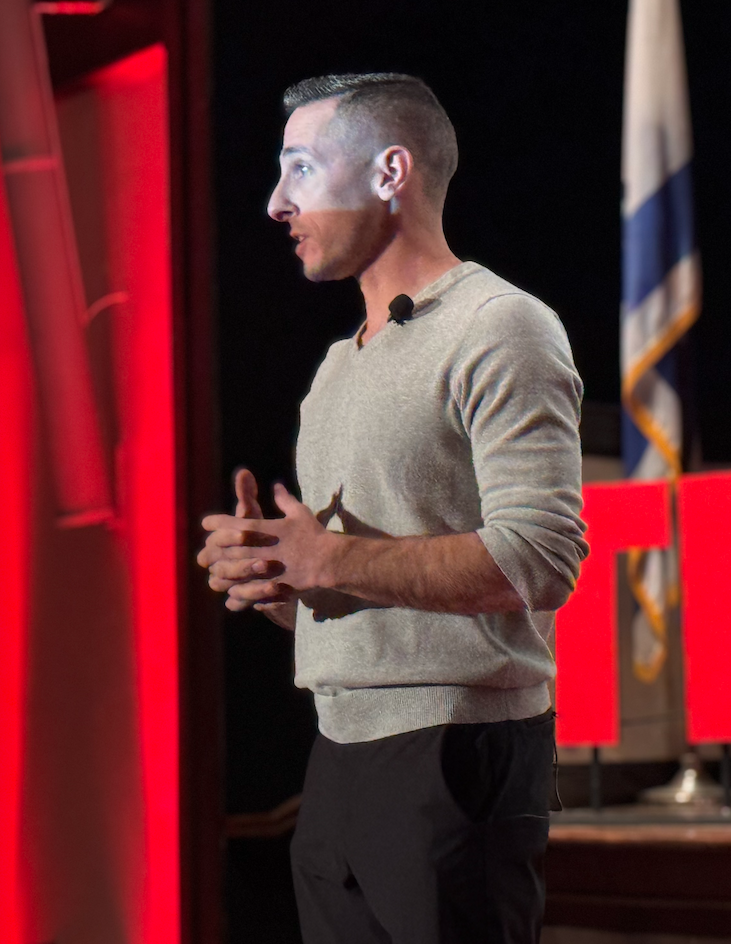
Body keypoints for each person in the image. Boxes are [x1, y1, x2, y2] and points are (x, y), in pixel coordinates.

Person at [196, 72, 587, 944]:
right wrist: (282, 581)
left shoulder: (499, 326)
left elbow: (540, 557)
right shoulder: (338, 366)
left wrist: (329, 560)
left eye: (300, 168)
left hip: (455, 759)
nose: (274, 202)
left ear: (388, 172)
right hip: (338, 755)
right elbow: (367, 595)